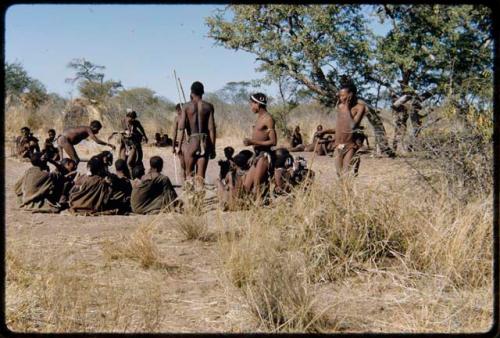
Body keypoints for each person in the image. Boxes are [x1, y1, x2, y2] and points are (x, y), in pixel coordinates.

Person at [318, 84, 367, 176]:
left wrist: (346, 108)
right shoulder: (340, 107)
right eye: (339, 96)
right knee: (339, 174)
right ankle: (343, 190)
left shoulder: (360, 107)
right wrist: (324, 132)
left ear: (350, 95)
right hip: (339, 145)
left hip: (350, 146)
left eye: (343, 95)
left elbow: (352, 126)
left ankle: (347, 190)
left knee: (345, 174)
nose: (340, 98)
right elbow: (340, 128)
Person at [177, 83, 216, 189]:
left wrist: (179, 146)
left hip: (192, 142)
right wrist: (213, 148)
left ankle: (192, 203)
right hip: (204, 142)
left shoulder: (186, 106)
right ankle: (199, 202)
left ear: (191, 92)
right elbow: (211, 129)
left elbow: (181, 128)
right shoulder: (208, 106)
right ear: (203, 92)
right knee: (200, 177)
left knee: (189, 174)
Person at [242, 93, 277, 199]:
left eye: (252, 104)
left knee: (257, 188)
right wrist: (253, 155)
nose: (251, 106)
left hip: (264, 157)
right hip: (257, 156)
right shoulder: (259, 118)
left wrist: (253, 142)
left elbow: (273, 141)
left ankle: (260, 207)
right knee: (246, 188)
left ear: (257, 104)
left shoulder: (268, 119)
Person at [121, 109, 148, 174]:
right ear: (127, 116)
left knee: (137, 156)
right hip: (127, 140)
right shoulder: (123, 120)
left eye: (133, 118)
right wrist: (126, 133)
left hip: (135, 140)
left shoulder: (136, 122)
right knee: (124, 158)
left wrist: (145, 136)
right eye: (131, 118)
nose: (132, 120)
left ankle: (139, 167)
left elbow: (141, 129)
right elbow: (125, 130)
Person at [172, 103, 187, 180]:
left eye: (178, 110)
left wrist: (174, 147)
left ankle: (185, 182)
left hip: (184, 144)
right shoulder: (189, 117)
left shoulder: (177, 118)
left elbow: (175, 133)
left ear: (178, 110)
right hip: (189, 143)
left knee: (183, 166)